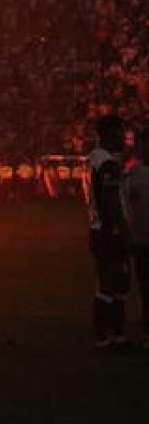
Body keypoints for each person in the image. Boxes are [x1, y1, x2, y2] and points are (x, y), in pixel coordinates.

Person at [87, 115, 131, 350]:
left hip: (99, 228)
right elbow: (110, 202)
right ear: (109, 134)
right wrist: (121, 228)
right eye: (120, 131)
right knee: (112, 281)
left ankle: (112, 333)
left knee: (111, 281)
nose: (123, 137)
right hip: (107, 230)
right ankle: (107, 334)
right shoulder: (106, 164)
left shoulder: (96, 159)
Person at [120, 130, 149, 345]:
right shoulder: (133, 174)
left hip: (141, 239)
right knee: (145, 286)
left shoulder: (133, 174)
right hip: (142, 240)